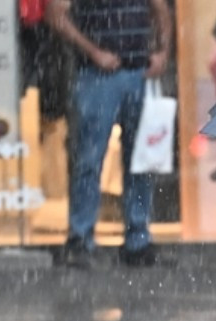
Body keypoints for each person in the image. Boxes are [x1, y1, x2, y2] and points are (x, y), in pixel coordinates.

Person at [45, 0, 173, 269]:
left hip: (134, 72)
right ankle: (83, 238)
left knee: (140, 160)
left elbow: (160, 8)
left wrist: (162, 52)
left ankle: (135, 240)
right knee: (89, 161)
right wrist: (94, 52)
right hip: (98, 74)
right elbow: (55, 15)